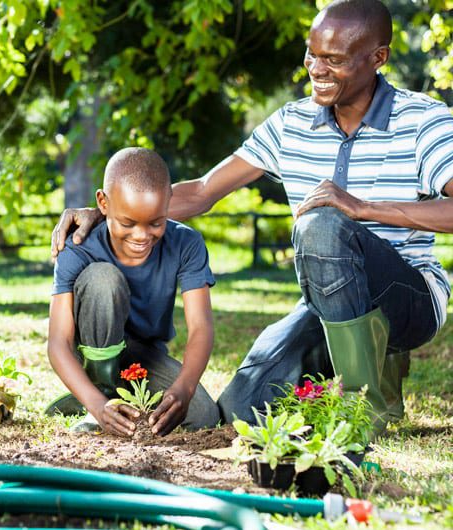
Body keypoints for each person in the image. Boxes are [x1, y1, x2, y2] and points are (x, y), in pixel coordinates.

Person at [51, 0, 453, 435]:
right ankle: (355, 369)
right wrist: (111, 212)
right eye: (311, 54)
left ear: (378, 58)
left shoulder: (422, 120)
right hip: (324, 303)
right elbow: (204, 191)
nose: (316, 69)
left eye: (333, 60)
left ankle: (364, 409)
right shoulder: (291, 123)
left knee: (318, 223)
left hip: (408, 297)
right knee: (239, 409)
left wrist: (361, 208)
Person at [47, 147, 220, 436]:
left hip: (143, 357)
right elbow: (57, 343)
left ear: (168, 202)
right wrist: (98, 407)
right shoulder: (77, 247)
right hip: (92, 352)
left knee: (204, 415)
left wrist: (185, 387)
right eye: (127, 223)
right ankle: (94, 397)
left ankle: (121, 396)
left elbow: (201, 326)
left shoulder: (186, 244)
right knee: (104, 278)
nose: (141, 236)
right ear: (103, 203)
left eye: (156, 223)